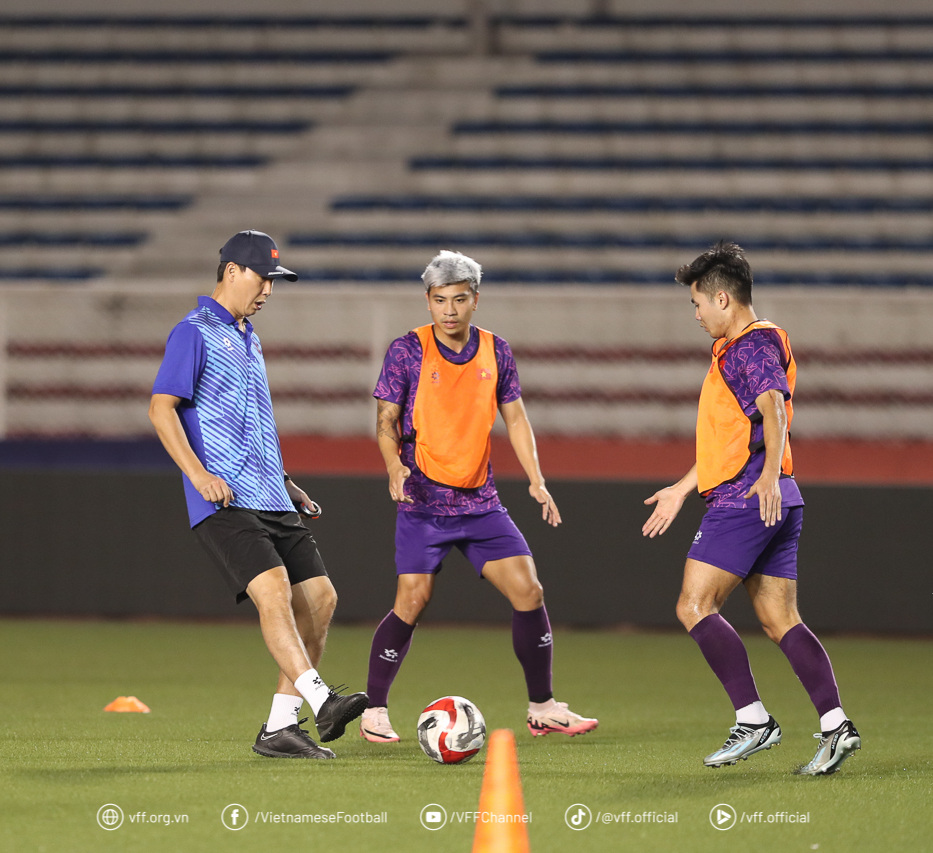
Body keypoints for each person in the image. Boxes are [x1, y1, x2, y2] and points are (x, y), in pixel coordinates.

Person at [359, 250, 597, 743]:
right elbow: (385, 420)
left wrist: (536, 479)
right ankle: (374, 710)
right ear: (428, 300)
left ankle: (543, 707)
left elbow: (516, 418)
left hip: (480, 502)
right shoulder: (407, 350)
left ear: (475, 300)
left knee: (529, 591)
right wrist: (393, 465)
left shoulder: (496, 350)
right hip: (423, 500)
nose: (449, 310)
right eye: (440, 300)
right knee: (412, 600)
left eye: (459, 299)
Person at [642, 241, 861, 775]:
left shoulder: (749, 345)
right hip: (776, 495)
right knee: (780, 618)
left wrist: (763, 477)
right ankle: (836, 726)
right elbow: (734, 439)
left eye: (697, 303)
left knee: (694, 606)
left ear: (722, 299)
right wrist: (681, 488)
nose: (695, 314)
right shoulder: (745, 345)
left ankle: (754, 720)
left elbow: (773, 407)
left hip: (747, 497)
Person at [148, 229, 367, 760]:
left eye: (274, 281)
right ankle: (323, 701)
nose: (269, 289)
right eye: (262, 277)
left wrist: (285, 480)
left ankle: (279, 729)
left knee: (321, 599)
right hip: (224, 499)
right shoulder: (192, 332)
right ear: (232, 272)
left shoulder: (249, 335)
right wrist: (198, 474)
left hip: (271, 494)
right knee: (273, 591)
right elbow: (160, 408)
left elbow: (254, 422)